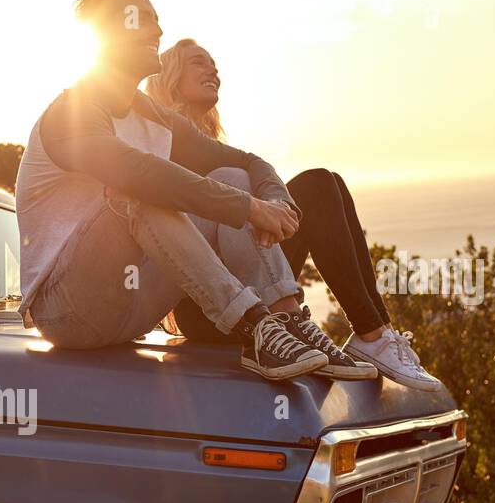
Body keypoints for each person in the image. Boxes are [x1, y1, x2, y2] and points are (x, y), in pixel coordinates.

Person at [15, 0, 339, 382]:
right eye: (143, 20)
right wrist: (249, 208)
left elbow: (246, 161)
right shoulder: (72, 111)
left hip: (134, 307)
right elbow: (139, 174)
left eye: (157, 20)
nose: (157, 30)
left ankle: (287, 319)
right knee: (136, 191)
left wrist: (276, 201)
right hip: (68, 311)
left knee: (231, 176)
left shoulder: (152, 113)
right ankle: (251, 324)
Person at [146, 39, 442, 390]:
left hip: (250, 281)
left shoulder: (213, 145)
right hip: (210, 307)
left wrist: (277, 208)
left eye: (214, 65)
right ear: (171, 75)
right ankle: (370, 335)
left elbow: (256, 172)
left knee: (327, 184)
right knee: (309, 186)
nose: (213, 70)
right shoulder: (164, 141)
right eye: (199, 62)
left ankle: (375, 333)